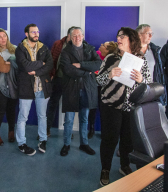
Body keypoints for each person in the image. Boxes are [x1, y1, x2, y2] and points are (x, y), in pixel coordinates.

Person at [96, 27, 151, 186]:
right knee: (109, 139)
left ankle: (124, 165)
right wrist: (109, 74)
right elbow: (98, 81)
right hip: (111, 105)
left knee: (128, 140)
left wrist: (141, 79)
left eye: (122, 36)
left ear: (131, 40)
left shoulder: (141, 60)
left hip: (131, 106)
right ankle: (105, 169)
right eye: (118, 36)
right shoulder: (110, 58)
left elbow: (148, 82)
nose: (118, 39)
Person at [59, 27, 102, 156]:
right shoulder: (65, 52)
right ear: (70, 38)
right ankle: (66, 144)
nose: (77, 38)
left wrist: (80, 64)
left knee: (84, 119)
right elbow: (68, 70)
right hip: (71, 89)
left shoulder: (90, 49)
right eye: (74, 36)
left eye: (79, 35)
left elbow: (98, 64)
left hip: (87, 89)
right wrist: (87, 71)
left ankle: (84, 144)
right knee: (69, 120)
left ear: (83, 36)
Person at [15, 23, 53, 156]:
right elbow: (25, 66)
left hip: (42, 87)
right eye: (33, 32)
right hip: (26, 87)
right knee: (23, 117)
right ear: (27, 34)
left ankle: (43, 140)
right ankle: (21, 143)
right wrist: (40, 64)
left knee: (42, 116)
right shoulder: (20, 49)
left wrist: (36, 71)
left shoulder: (44, 48)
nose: (36, 34)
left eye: (37, 31)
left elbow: (49, 64)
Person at [0, 28, 18, 145]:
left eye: (4, 36)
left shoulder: (15, 48)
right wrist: (12, 62)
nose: (3, 39)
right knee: (0, 110)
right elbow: (2, 68)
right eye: (0, 37)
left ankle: (11, 132)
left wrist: (7, 61)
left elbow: (21, 64)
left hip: (13, 84)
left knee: (11, 110)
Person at [46, 26, 75, 136]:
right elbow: (51, 59)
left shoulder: (77, 46)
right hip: (57, 79)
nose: (76, 38)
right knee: (53, 104)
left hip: (70, 81)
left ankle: (68, 131)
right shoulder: (58, 44)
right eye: (73, 36)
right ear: (68, 35)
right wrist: (51, 74)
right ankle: (47, 129)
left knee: (68, 106)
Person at [88, 41, 118, 139]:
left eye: (103, 46)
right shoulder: (96, 54)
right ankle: (91, 129)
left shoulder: (114, 60)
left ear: (107, 50)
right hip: (94, 85)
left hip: (107, 88)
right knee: (92, 107)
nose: (100, 46)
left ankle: (104, 131)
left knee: (104, 109)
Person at [136, 24, 166, 106]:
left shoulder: (155, 51)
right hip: (136, 92)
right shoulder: (131, 51)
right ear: (139, 35)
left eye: (151, 34)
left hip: (152, 92)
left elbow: (159, 72)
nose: (150, 36)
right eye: (148, 33)